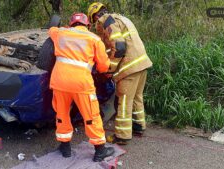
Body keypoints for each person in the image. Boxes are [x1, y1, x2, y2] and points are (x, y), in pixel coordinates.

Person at [49, 13, 114, 162]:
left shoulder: (60, 33)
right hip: (81, 83)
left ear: (71, 24)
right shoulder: (94, 39)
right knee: (91, 115)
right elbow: (104, 67)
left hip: (59, 81)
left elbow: (51, 29)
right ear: (88, 25)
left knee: (62, 114)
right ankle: (100, 150)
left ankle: (65, 148)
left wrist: (58, 25)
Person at [87, 2, 153, 145]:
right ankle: (138, 126)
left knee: (123, 101)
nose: (97, 26)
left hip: (129, 67)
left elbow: (120, 46)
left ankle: (122, 136)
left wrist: (109, 69)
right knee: (137, 97)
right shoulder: (122, 18)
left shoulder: (106, 20)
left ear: (95, 16)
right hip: (142, 63)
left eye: (94, 22)